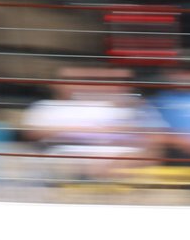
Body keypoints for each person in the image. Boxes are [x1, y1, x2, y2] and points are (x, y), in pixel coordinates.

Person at [18, 67, 160, 187]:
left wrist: (120, 162)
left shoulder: (130, 108)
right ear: (55, 85)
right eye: (71, 81)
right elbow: (32, 133)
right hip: (67, 166)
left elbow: (151, 144)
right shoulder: (46, 107)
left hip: (122, 168)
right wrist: (85, 131)